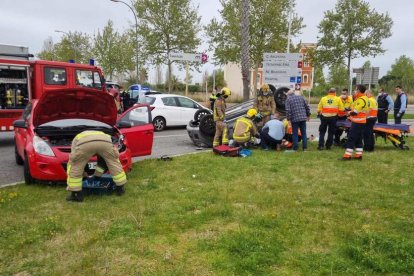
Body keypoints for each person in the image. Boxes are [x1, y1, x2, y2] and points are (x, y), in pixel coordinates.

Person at [66, 130, 127, 202]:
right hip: (105, 142)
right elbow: (103, 162)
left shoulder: (76, 139)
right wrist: (97, 175)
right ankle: (120, 189)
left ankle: (76, 195)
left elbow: (76, 160)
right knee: (113, 163)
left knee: (76, 165)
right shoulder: (101, 133)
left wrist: (84, 175)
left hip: (85, 144)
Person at [340, 85, 369, 161]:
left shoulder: (361, 99)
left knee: (351, 138)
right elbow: (354, 109)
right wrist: (348, 110)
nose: (354, 91)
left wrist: (348, 113)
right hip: (361, 122)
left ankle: (347, 156)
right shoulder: (362, 98)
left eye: (355, 90)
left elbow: (355, 112)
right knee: (358, 139)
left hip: (357, 122)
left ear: (359, 90)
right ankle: (359, 155)